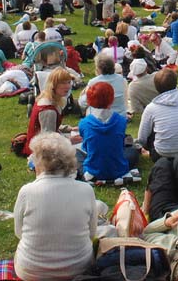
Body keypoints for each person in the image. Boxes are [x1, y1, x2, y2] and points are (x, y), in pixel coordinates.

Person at [13, 133, 98, 281]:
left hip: (31, 272)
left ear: (39, 163)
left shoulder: (27, 192)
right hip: (79, 268)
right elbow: (91, 233)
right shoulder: (86, 190)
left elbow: (19, 232)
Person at [78, 81, 138, 182]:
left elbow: (86, 147)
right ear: (112, 99)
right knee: (132, 150)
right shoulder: (121, 121)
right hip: (118, 170)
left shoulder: (84, 123)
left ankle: (86, 174)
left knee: (76, 153)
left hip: (93, 171)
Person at [138, 69, 178, 159]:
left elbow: (142, 138)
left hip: (160, 154)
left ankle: (151, 153)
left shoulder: (151, 108)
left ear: (156, 87)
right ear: (176, 83)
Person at [24, 67, 74, 156]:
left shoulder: (49, 98)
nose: (68, 86)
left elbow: (50, 126)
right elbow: (48, 140)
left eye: (69, 82)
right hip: (39, 151)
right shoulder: (48, 109)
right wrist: (70, 141)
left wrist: (69, 129)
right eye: (63, 83)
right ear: (53, 85)